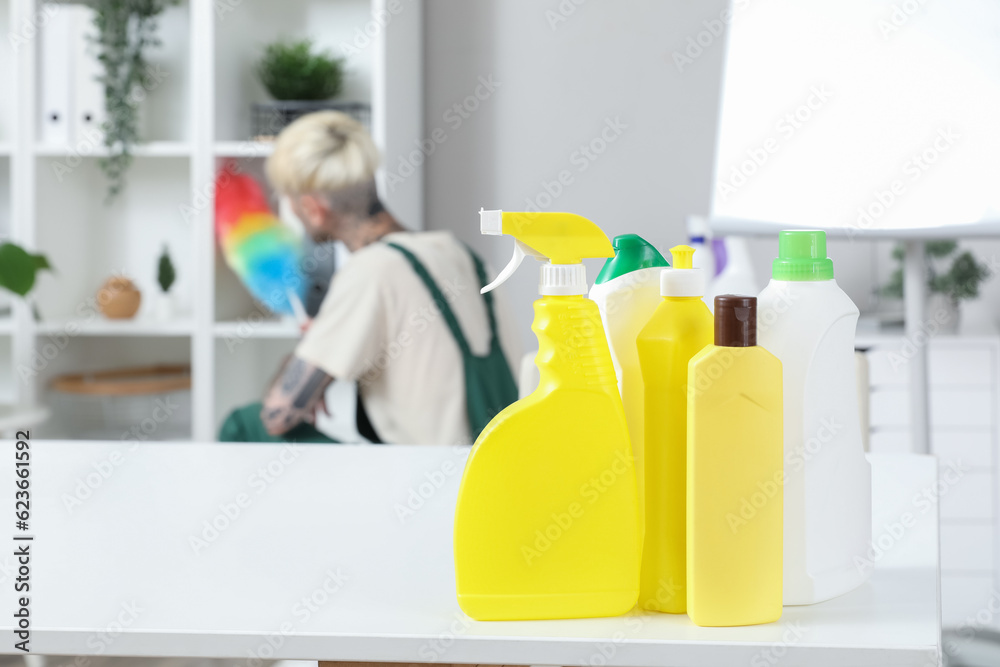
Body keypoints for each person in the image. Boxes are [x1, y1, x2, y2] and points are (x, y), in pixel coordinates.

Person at [220, 111, 521, 445]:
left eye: (290, 204)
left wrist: (303, 356)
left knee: (244, 424)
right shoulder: (462, 255)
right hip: (495, 466)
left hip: (429, 475)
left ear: (313, 208)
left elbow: (279, 415)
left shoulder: (372, 270)